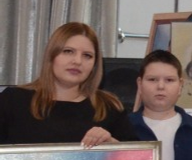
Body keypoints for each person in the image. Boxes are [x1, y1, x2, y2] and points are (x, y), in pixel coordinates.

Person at [0, 22, 136, 146]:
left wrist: (112, 145)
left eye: (87, 55)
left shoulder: (109, 107)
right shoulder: (13, 101)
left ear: (94, 65)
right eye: (68, 51)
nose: (77, 61)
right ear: (51, 56)